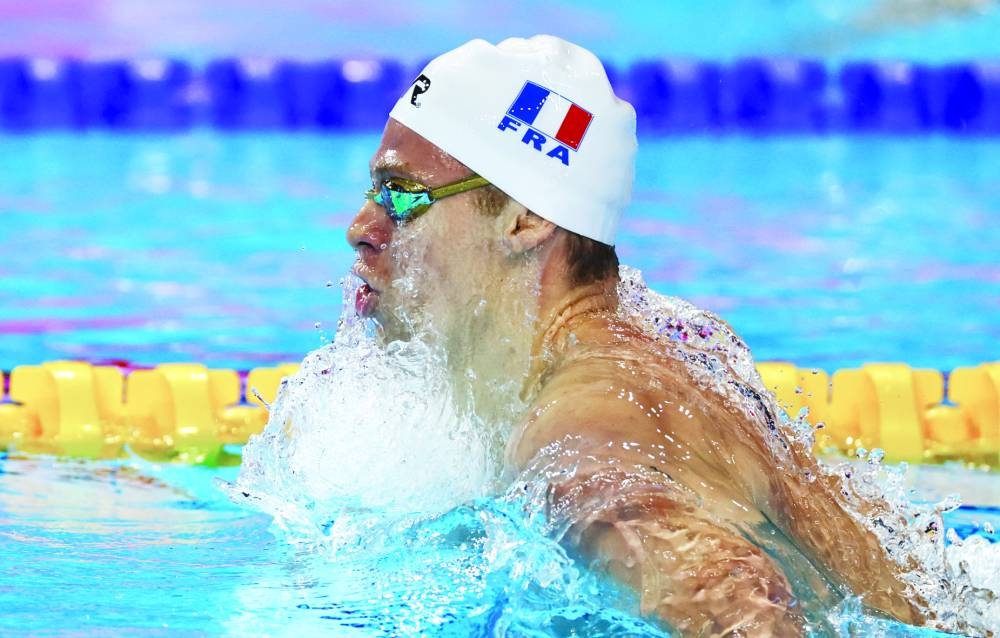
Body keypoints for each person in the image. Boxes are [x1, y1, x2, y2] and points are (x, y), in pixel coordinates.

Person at [346, 36, 926, 637]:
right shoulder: (671, 346)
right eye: (372, 192)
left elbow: (746, 609)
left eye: (402, 195)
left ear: (526, 219)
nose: (361, 227)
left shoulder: (579, 436)